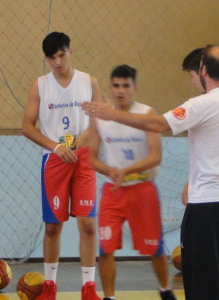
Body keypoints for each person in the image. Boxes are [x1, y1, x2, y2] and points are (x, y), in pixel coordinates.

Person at [82, 45, 219, 300]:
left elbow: (160, 124)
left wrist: (112, 115)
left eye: (193, 75)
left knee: (204, 282)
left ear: (204, 70)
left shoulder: (202, 104)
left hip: (208, 208)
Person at [21, 31, 101, 300]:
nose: (57, 61)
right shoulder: (40, 85)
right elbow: (26, 127)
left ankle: (89, 287)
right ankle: (50, 287)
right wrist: (56, 147)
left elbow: (98, 121)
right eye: (51, 57)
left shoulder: (88, 82)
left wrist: (78, 142)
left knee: (88, 224)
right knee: (53, 226)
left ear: (70, 52)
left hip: (83, 159)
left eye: (61, 55)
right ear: (46, 59)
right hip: (54, 159)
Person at [88, 65, 177, 300]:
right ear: (110, 87)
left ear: (134, 88)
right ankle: (109, 297)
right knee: (105, 248)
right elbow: (92, 157)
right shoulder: (101, 118)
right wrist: (110, 170)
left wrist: (126, 170)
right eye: (116, 85)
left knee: (155, 249)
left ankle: (165, 290)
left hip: (143, 189)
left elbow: (155, 156)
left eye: (126, 86)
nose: (120, 91)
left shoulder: (147, 114)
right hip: (113, 191)